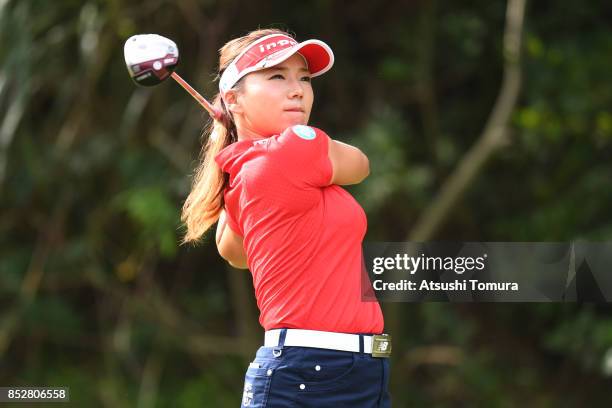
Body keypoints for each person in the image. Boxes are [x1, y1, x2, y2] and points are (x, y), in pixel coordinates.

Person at [181, 28, 392, 407]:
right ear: (233, 99)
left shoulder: (243, 177)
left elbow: (234, 253)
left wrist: (244, 145)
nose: (297, 90)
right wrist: (263, 147)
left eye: (305, 78)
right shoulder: (295, 146)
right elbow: (360, 164)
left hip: (359, 369)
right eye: (277, 76)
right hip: (310, 372)